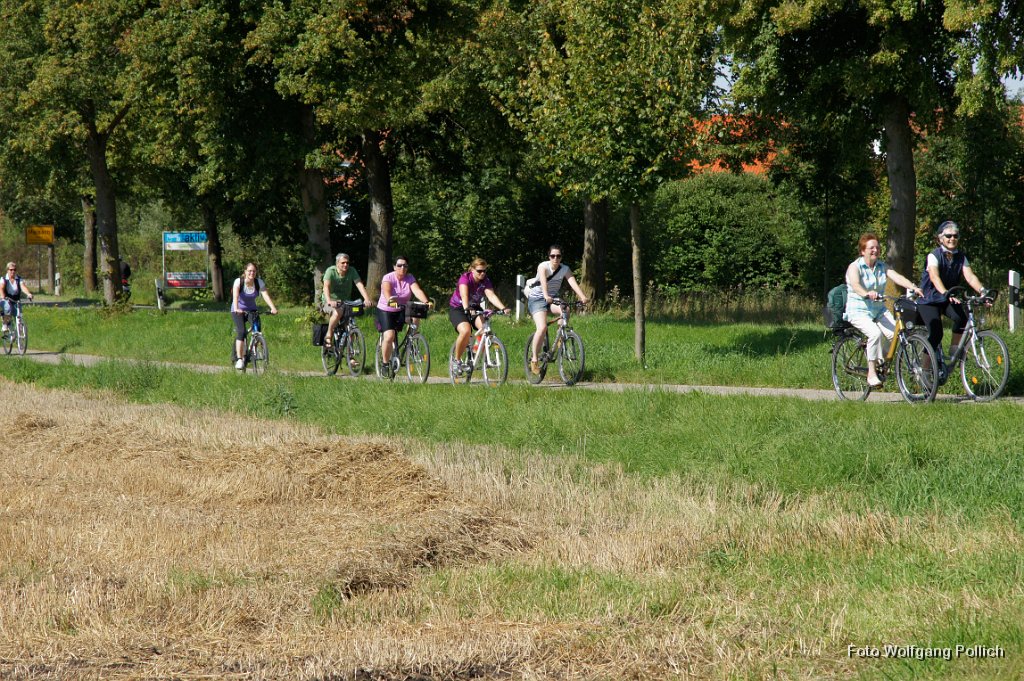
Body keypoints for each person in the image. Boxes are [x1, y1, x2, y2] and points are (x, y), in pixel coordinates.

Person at [844, 233, 923, 387]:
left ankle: (879, 359)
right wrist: (867, 293)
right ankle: (871, 373)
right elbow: (855, 285)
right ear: (862, 251)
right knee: (875, 333)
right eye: (871, 248)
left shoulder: (882, 266)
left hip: (878, 310)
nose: (875, 250)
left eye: (877, 247)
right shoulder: (854, 267)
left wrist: (913, 287)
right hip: (859, 310)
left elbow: (897, 277)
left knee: (896, 334)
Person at [916, 220, 991, 377]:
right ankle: (924, 371)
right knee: (936, 333)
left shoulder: (961, 257)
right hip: (929, 299)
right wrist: (945, 292)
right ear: (940, 238)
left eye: (955, 236)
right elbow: (934, 277)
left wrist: (983, 291)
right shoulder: (934, 256)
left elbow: (970, 277)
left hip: (947, 298)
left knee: (962, 318)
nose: (952, 238)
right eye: (948, 235)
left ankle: (953, 351)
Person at [525, 244, 589, 375]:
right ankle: (534, 359)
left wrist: (582, 296)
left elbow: (572, 282)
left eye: (558, 256)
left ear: (561, 257)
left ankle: (561, 336)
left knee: (565, 308)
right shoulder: (543, 266)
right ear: (549, 257)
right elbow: (543, 281)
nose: (555, 258)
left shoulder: (565, 269)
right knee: (542, 328)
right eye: (552, 256)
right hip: (537, 298)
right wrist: (546, 295)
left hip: (552, 298)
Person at [448, 258, 511, 373]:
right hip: (458, 307)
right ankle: (456, 361)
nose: (482, 273)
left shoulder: (485, 280)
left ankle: (474, 354)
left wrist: (503, 308)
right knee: (466, 331)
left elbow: (491, 296)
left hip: (474, 306)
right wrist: (467, 308)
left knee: (484, 329)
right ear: (472, 270)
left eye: (484, 271)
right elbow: (464, 296)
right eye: (479, 271)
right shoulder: (465, 279)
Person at [375, 256, 431, 374]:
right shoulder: (388, 278)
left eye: (405, 266)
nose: (402, 268)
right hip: (386, 309)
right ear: (394, 267)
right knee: (389, 336)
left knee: (416, 314)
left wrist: (426, 302)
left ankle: (413, 339)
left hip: (401, 308)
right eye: (399, 265)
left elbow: (417, 290)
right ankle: (385, 364)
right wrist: (391, 301)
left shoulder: (409, 278)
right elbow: (386, 292)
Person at [231, 263, 277, 370]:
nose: (252, 273)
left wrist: (273, 308)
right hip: (238, 310)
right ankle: (239, 359)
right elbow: (235, 296)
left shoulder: (258, 282)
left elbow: (265, 295)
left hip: (252, 309)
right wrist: (237, 308)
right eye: (250, 271)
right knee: (241, 332)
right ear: (245, 272)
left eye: (254, 271)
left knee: (257, 329)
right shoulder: (239, 282)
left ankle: (258, 351)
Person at [322, 253, 371, 347]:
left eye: (347, 263)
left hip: (346, 303)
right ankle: (329, 334)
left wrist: (367, 299)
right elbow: (326, 286)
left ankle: (351, 357)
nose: (346, 265)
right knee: (337, 313)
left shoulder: (352, 271)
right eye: (343, 263)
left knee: (351, 328)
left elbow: (359, 284)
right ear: (337, 263)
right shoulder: (330, 271)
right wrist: (329, 301)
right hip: (330, 302)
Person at [1, 262, 33, 334]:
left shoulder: (18, 279)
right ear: (7, 270)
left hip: (16, 300)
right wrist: (3, 297)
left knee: (19, 315)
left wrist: (28, 294)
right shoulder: (3, 279)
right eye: (11, 270)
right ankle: (5, 324)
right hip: (6, 299)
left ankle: (19, 332)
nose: (13, 271)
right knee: (8, 309)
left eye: (14, 270)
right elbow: (1, 288)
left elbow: (23, 287)